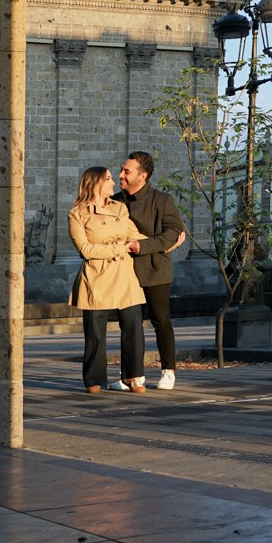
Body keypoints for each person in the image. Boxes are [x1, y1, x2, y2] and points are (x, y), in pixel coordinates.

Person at [68, 166, 147, 394]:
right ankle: (94, 379)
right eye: (109, 179)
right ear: (95, 183)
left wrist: (164, 243)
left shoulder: (120, 208)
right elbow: (85, 249)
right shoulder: (77, 213)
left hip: (124, 275)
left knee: (133, 326)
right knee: (95, 332)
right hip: (96, 276)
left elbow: (134, 236)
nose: (114, 183)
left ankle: (134, 377)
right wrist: (117, 247)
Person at [117, 151, 184, 390]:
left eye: (127, 171)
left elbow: (174, 231)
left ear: (142, 176)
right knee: (129, 324)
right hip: (124, 272)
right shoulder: (116, 201)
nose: (121, 174)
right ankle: (132, 375)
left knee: (161, 321)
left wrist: (141, 246)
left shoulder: (162, 200)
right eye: (122, 170)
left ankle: (168, 371)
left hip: (155, 269)